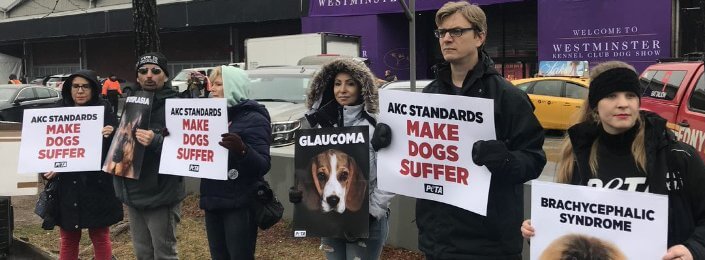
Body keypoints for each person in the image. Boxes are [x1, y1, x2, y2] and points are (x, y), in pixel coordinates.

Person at [370, 1, 546, 259]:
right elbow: (417, 158)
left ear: (480, 36)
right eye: (441, 33)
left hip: (490, 244)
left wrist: (505, 159)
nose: (447, 39)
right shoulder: (429, 94)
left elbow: (534, 160)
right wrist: (389, 143)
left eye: (456, 32)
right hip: (437, 239)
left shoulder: (508, 97)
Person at [520, 61, 705, 260]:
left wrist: (694, 251)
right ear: (596, 105)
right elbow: (570, 227)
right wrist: (540, 230)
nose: (623, 104)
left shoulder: (677, 156)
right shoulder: (577, 157)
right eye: (611, 96)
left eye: (630, 95)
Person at [294, 58, 395, 260]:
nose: (343, 90)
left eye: (350, 83)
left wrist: (372, 211)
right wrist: (302, 196)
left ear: (361, 87)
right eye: (337, 83)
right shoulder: (319, 127)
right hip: (331, 223)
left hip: (368, 221)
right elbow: (310, 172)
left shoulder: (377, 126)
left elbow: (391, 175)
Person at [41, 70, 122, 260]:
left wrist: (114, 134)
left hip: (97, 184)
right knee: (68, 237)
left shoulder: (105, 110)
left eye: (85, 86)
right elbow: (45, 147)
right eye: (75, 86)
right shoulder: (57, 111)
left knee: (100, 236)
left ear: (93, 89)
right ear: (69, 89)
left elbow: (117, 151)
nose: (80, 91)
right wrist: (46, 169)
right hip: (67, 185)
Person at [113, 52, 185, 260]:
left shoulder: (179, 106)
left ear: (166, 76)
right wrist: (112, 136)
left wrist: (156, 141)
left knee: (164, 253)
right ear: (137, 77)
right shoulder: (131, 104)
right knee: (142, 252)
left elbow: (187, 150)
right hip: (133, 190)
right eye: (143, 71)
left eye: (156, 71)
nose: (149, 76)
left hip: (162, 192)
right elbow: (123, 147)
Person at [200, 65, 272, 259]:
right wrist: (175, 135)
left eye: (218, 84)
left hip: (240, 202)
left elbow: (263, 165)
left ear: (233, 86)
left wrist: (242, 150)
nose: (211, 89)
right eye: (211, 84)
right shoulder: (207, 115)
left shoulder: (254, 118)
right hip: (212, 198)